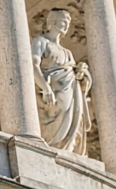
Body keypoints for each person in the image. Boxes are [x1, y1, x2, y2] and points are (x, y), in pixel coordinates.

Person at [31, 8, 93, 153]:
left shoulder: (67, 52)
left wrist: (81, 73)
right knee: (56, 115)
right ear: (52, 22)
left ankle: (67, 149)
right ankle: (51, 146)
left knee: (73, 117)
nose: (66, 25)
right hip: (52, 89)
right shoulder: (41, 41)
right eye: (63, 21)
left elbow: (74, 73)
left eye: (68, 22)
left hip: (70, 89)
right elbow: (32, 65)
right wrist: (45, 88)